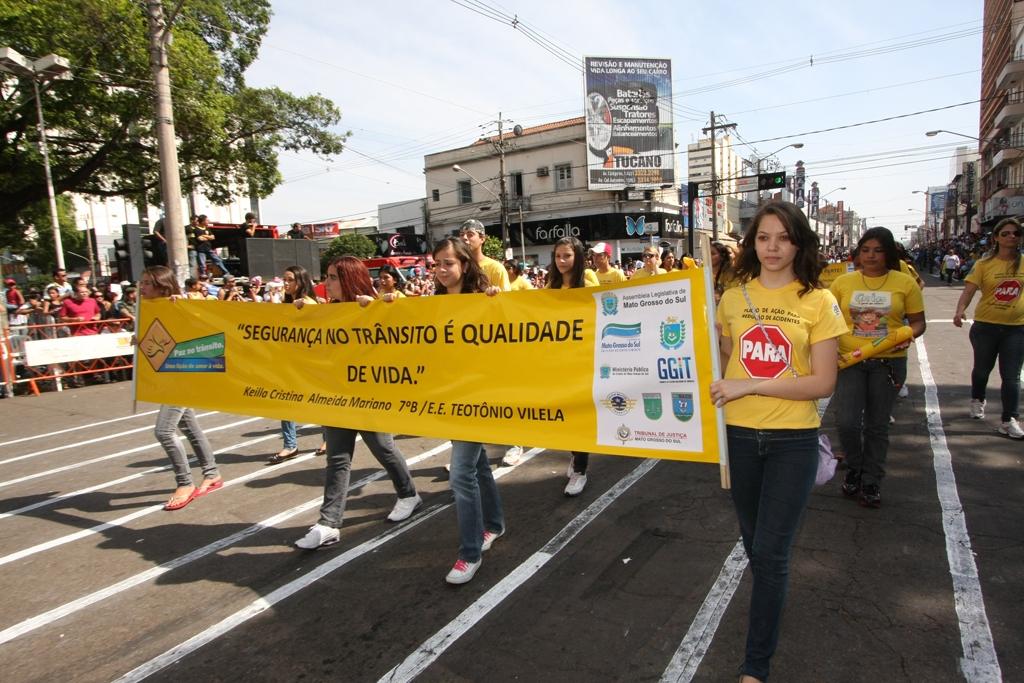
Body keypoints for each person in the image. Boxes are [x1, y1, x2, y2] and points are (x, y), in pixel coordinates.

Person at [710, 201, 846, 683]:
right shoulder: (731, 297)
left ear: (798, 243)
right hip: (740, 439)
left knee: (770, 554)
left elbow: (822, 382)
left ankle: (755, 667)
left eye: (782, 238)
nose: (772, 247)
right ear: (752, 244)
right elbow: (725, 358)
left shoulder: (819, 301)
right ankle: (772, 600)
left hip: (793, 441)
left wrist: (749, 385)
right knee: (757, 549)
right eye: (763, 237)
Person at [293, 256, 422, 549]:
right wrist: (300, 315)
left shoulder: (376, 306)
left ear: (350, 279)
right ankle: (329, 523)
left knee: (384, 448)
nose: (326, 283)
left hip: (370, 398)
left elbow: (409, 334)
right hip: (337, 397)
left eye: (333, 277)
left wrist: (377, 311)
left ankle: (408, 494)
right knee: (337, 458)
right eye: (326, 277)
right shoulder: (325, 312)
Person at [831, 228, 926, 508]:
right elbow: (828, 320)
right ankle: (855, 468)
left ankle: (871, 480)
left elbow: (919, 323)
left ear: (889, 253)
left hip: (889, 364)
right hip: (850, 361)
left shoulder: (904, 282)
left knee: (877, 426)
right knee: (846, 422)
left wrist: (906, 335)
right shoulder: (842, 283)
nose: (871, 256)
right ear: (858, 253)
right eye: (865, 250)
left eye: (878, 250)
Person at [429, 238, 505, 584]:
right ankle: (493, 524)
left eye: (449, 263)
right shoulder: (431, 305)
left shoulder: (483, 298)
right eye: (437, 264)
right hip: (450, 397)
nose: (442, 270)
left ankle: (469, 553)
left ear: (464, 264)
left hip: (479, 399)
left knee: (460, 473)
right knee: (477, 465)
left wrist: (497, 304)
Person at [138, 266, 223, 510]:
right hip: (169, 377)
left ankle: (185, 482)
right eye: (141, 282)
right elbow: (161, 343)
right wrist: (140, 339)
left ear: (161, 286)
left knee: (164, 431)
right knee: (189, 426)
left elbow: (205, 329)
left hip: (184, 378)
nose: (141, 288)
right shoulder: (150, 310)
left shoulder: (180, 304)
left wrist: (183, 305)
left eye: (146, 283)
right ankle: (212, 473)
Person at [954, 218, 1024, 439]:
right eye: (1005, 233)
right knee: (982, 369)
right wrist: (960, 310)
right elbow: (969, 291)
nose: (1011, 237)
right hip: (986, 326)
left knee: (1011, 376)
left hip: (1017, 329)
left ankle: (1009, 419)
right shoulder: (984, 264)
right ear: (996, 238)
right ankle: (977, 398)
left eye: (1016, 233)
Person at [545, 236, 599, 495]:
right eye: (558, 256)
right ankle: (575, 455)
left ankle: (580, 470)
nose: (562, 261)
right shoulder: (551, 284)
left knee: (578, 417)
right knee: (563, 415)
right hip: (558, 360)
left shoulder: (587, 280)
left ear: (577, 256)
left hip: (583, 359)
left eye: (567, 256)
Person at [270, 265, 320, 464]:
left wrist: (304, 309)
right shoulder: (287, 302)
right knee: (286, 403)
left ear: (300, 282)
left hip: (309, 364)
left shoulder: (307, 302)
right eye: (284, 279)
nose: (285, 283)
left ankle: (327, 439)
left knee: (319, 402)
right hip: (290, 363)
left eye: (289, 280)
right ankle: (290, 445)